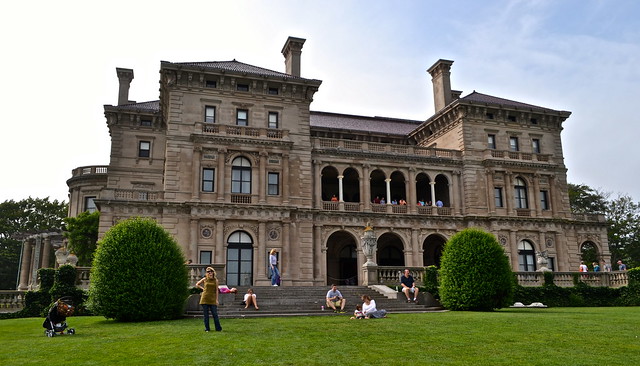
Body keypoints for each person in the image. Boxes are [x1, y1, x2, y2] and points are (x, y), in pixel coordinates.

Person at [195, 267, 222, 332]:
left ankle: (218, 328)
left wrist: (216, 299)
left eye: (211, 271)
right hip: (205, 298)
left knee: (215, 314)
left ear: (213, 272)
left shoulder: (216, 280)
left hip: (212, 298)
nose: (209, 273)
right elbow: (197, 284)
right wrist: (203, 288)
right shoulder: (205, 279)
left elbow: (216, 291)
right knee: (206, 315)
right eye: (208, 272)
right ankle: (207, 328)